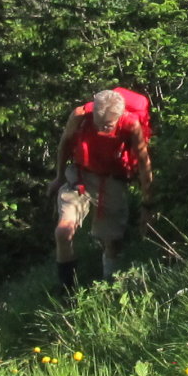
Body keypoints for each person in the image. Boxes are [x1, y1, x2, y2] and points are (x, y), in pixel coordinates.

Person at [53, 86, 152, 290]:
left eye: (107, 126)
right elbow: (64, 144)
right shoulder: (80, 116)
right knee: (63, 232)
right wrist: (59, 177)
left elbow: (144, 163)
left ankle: (109, 286)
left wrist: (147, 203)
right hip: (80, 176)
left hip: (112, 181)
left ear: (120, 116)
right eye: (98, 123)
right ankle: (67, 290)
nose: (101, 130)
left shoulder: (131, 125)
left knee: (112, 242)